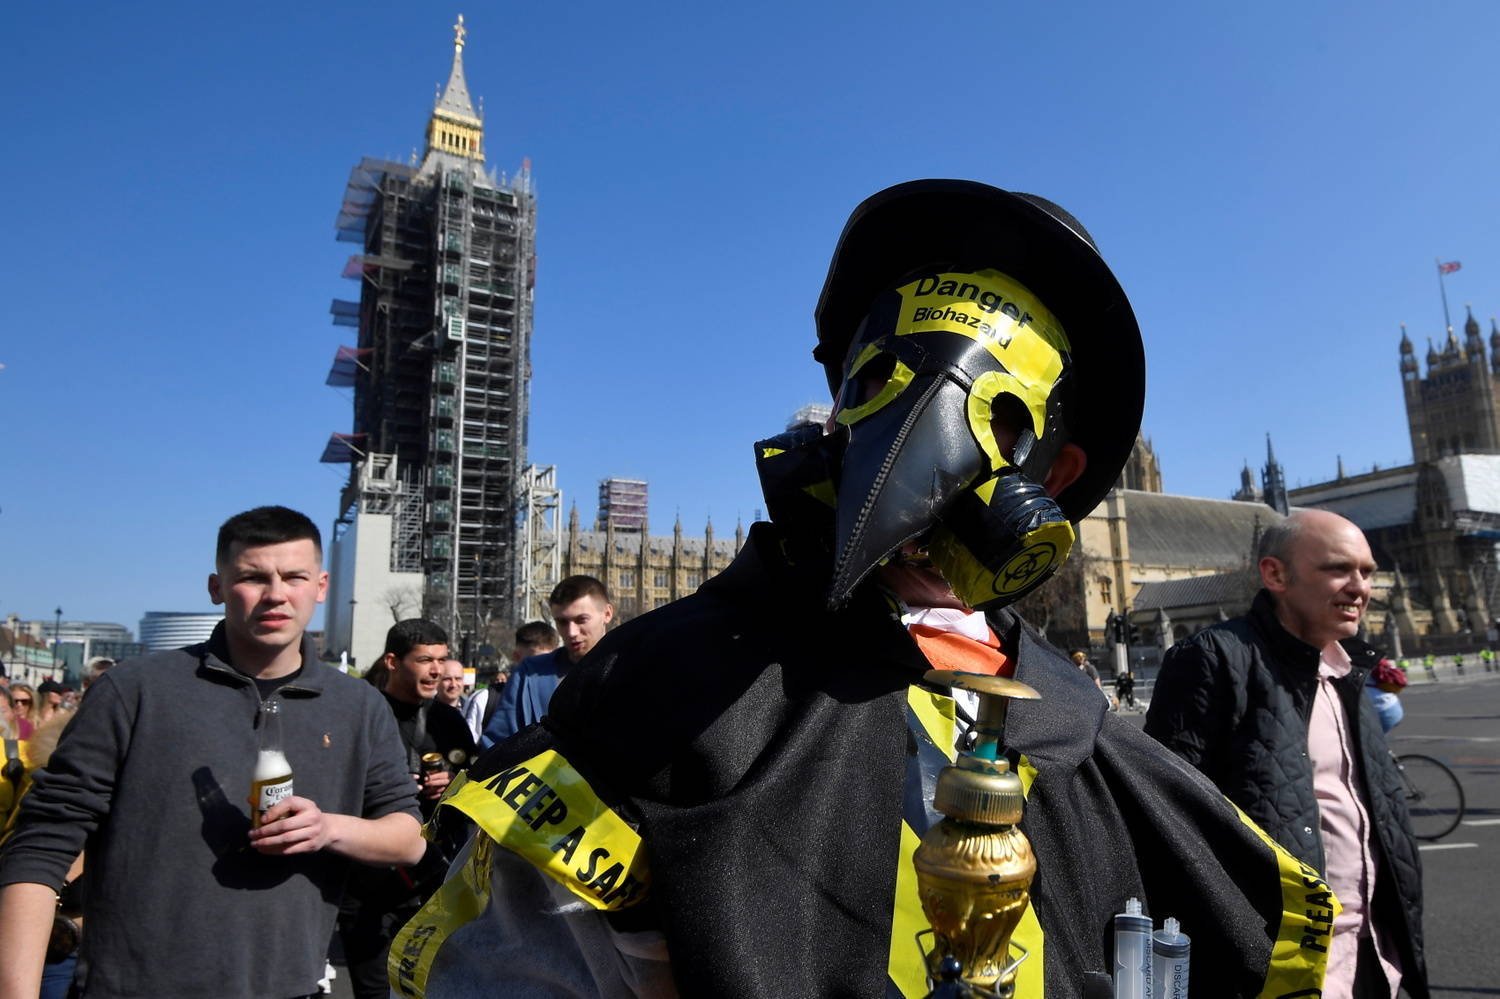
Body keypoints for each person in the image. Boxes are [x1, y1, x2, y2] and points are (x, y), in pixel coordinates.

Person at [394, 181, 1338, 998]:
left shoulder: (1076, 718)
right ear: (837, 415)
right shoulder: (666, 691)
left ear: (1054, 478)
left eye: (999, 424)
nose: (925, 458)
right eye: (884, 386)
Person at [0, 505, 424, 999]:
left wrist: (329, 828)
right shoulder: (133, 691)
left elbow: (408, 837)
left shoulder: (360, 705)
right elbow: (40, 848)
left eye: (294, 576)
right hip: (135, 986)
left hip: (292, 986)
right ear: (216, 587)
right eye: (252, 577)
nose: (276, 594)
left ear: (321, 586)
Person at [1146, 510, 1427, 999]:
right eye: (1339, 569)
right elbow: (1166, 817)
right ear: (1275, 574)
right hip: (1281, 968)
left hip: (1373, 959)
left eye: (1367, 572)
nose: (1359, 586)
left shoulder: (1349, 669)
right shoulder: (1214, 657)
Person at [338, 619, 476, 999]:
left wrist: (452, 782)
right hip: (370, 881)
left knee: (437, 985)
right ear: (393, 662)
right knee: (376, 989)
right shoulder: (362, 712)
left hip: (435, 877)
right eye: (425, 659)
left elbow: (476, 781)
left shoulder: (447, 719)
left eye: (442, 659)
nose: (437, 669)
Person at [477, 577, 612, 749]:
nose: (571, 632)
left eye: (581, 620)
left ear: (607, 614)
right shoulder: (528, 674)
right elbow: (498, 743)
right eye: (562, 622)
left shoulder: (631, 668)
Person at [462, 621, 560, 743]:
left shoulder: (566, 695)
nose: (542, 671)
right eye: (535, 663)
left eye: (547, 662)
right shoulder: (485, 699)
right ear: (516, 656)